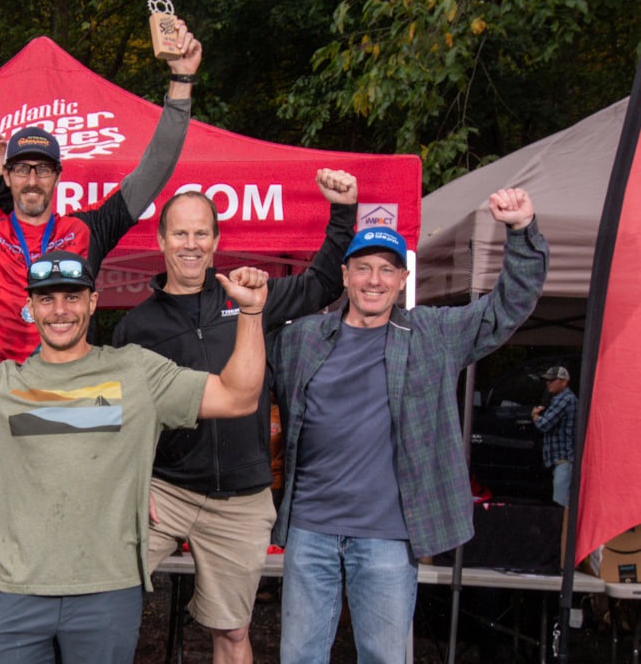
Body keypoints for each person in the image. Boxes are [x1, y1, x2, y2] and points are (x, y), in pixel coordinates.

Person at [0, 19, 202, 598]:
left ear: (57, 176)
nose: (32, 179)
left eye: (42, 168)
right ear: (7, 176)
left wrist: (180, 86)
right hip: (2, 409)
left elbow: (154, 170)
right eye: (22, 168)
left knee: (79, 542)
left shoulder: (87, 231)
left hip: (76, 407)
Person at [0, 250, 269, 662]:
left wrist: (251, 314)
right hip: (19, 595)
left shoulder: (137, 372)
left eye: (72, 297)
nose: (60, 310)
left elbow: (238, 396)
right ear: (30, 308)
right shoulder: (0, 386)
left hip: (107, 594)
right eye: (47, 299)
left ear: (93, 303)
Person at [270, 187, 549, 663]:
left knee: (384, 657)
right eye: (363, 267)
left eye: (387, 269)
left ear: (402, 279)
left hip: (387, 537)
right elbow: (246, 363)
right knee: (299, 657)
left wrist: (521, 232)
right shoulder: (302, 339)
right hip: (309, 531)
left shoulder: (432, 335)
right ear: (345, 275)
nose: (374, 280)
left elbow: (507, 308)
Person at [111, 169, 358, 664]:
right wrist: (131, 484)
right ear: (161, 240)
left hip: (241, 500)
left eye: (201, 233)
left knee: (232, 631)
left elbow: (324, 283)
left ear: (216, 240)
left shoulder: (250, 298)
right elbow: (117, 420)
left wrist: (343, 211)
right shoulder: (135, 327)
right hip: (164, 490)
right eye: (180, 233)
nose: (191, 244)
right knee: (103, 597)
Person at [533, 365, 577, 507]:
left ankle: (565, 522)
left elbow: (544, 424)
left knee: (562, 503)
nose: (548, 383)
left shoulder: (565, 399)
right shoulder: (558, 398)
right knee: (561, 500)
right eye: (547, 380)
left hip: (563, 459)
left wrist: (535, 416)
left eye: (552, 380)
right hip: (559, 461)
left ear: (564, 382)